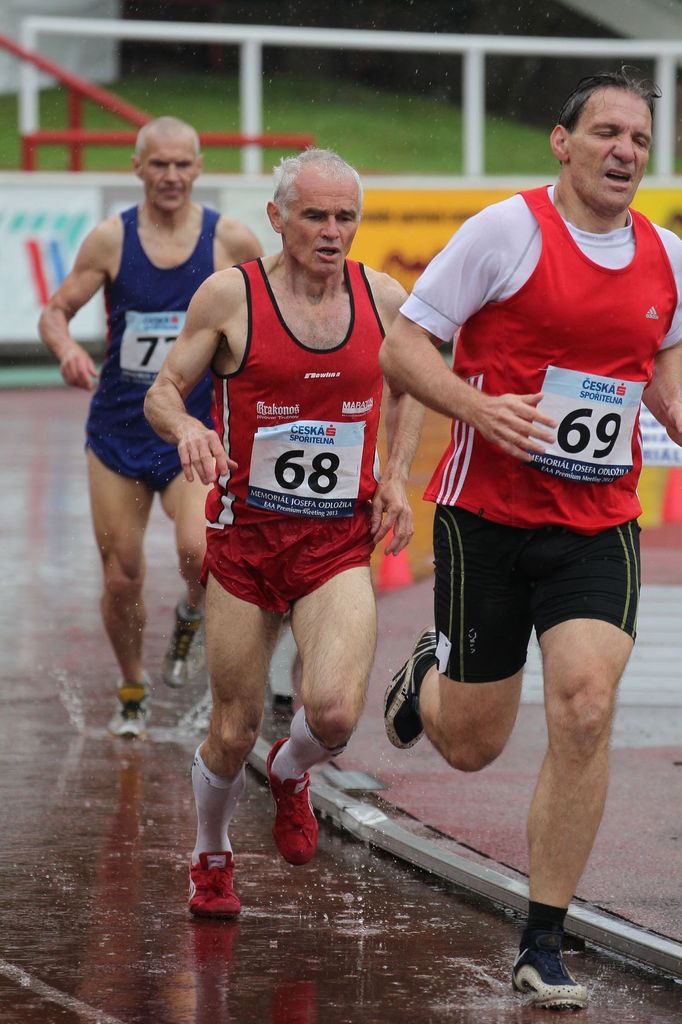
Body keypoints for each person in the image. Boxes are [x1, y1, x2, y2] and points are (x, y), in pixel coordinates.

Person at [380, 69, 682, 1011]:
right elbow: (404, 347)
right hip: (488, 519)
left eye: (638, 137)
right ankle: (425, 677)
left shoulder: (670, 257)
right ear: (562, 141)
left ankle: (542, 940)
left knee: (586, 709)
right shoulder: (505, 232)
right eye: (605, 133)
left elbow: (667, 389)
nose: (624, 151)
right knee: (471, 745)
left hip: (599, 525)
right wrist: (479, 408)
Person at [143, 148, 424, 918]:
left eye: (345, 218)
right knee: (231, 731)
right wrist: (189, 427)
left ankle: (294, 768)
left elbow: (414, 387)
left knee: (333, 713)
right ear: (277, 218)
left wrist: (396, 474)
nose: (332, 232)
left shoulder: (384, 299)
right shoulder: (230, 298)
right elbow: (163, 392)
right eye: (315, 216)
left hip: (335, 546)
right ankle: (210, 856)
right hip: (244, 545)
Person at [38, 116, 263, 738]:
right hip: (117, 433)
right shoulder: (111, 240)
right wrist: (65, 349)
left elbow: (272, 308)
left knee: (199, 551)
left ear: (199, 167)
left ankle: (191, 614)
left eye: (181, 164)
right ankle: (132, 688)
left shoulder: (230, 240)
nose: (170, 176)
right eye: (158, 164)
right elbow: (56, 310)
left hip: (191, 430)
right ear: (137, 168)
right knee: (122, 573)